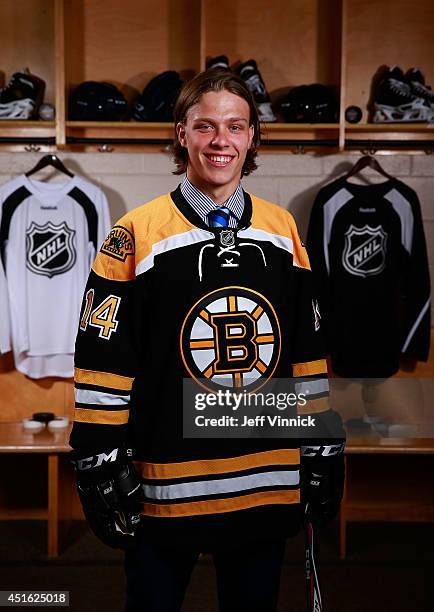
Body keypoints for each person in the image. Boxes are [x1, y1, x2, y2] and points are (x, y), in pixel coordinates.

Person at [69, 69, 345, 612]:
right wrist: (97, 451)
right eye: (206, 126)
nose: (222, 140)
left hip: (263, 476)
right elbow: (104, 354)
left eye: (236, 127)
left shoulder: (282, 230)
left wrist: (321, 442)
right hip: (168, 482)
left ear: (251, 138)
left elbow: (306, 350)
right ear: (181, 134)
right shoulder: (135, 233)